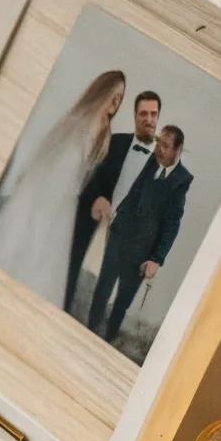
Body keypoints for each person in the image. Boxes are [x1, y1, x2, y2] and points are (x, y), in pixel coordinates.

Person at [0, 70, 126, 306]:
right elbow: (46, 162)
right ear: (102, 90)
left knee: (44, 270)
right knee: (20, 251)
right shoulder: (75, 122)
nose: (116, 101)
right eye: (114, 94)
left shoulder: (103, 136)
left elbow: (86, 178)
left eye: (121, 98)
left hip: (64, 208)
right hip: (42, 197)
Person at [87, 124, 192, 344]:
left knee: (122, 303)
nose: (159, 149)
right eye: (158, 143)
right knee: (102, 290)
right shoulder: (148, 161)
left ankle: (105, 343)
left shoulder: (182, 180)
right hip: (119, 236)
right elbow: (131, 190)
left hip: (142, 252)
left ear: (177, 149)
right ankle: (86, 333)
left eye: (165, 145)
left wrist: (157, 259)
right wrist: (115, 221)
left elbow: (172, 225)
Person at [65, 89, 162, 312]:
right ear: (135, 116)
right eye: (143, 114)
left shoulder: (163, 162)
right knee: (73, 275)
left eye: (153, 114)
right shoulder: (115, 142)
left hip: (126, 239)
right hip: (95, 223)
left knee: (105, 298)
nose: (148, 119)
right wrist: (99, 197)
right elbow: (92, 175)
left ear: (158, 117)